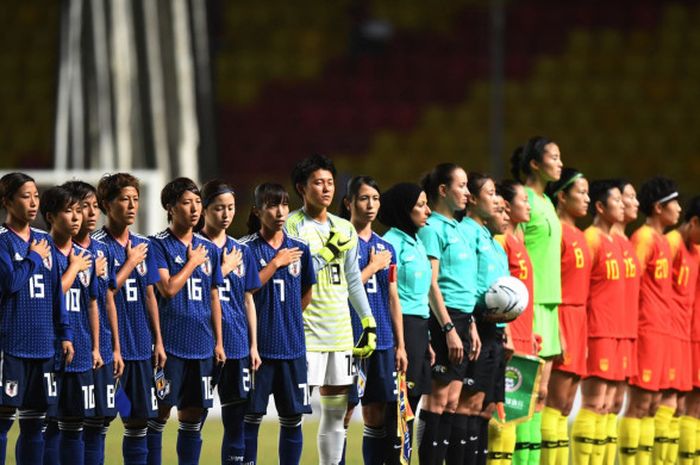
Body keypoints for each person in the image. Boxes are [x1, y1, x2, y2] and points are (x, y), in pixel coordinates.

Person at [285, 155, 377, 465]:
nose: (326, 189)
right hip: (306, 332)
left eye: (330, 182)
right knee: (294, 412)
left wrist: (368, 321)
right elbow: (295, 271)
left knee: (336, 415)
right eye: (318, 183)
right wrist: (329, 251)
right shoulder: (292, 225)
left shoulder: (344, 227)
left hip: (340, 333)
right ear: (302, 188)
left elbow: (353, 281)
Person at [148, 178, 226, 465]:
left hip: (203, 345)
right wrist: (192, 262)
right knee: (159, 412)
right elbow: (166, 288)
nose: (194, 209)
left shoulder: (211, 249)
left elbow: (214, 296)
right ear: (170, 207)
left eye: (197, 202)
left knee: (193, 416)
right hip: (169, 346)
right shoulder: (157, 245)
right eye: (186, 202)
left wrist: (219, 342)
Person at [0, 173, 74, 465]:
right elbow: (10, 284)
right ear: (7, 202)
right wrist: (31, 258)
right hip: (12, 346)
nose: (33, 202)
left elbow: (57, 292)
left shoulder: (45, 240)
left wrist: (65, 333)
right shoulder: (4, 242)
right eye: (24, 196)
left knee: (36, 423)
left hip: (44, 346)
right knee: (4, 419)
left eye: (35, 196)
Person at [93, 173, 166, 464]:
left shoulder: (142, 244)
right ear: (106, 205)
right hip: (111, 348)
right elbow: (105, 290)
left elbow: (151, 295)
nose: (132, 205)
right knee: (99, 419)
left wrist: (158, 341)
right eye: (124, 199)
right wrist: (130, 262)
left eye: (135, 199)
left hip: (140, 346)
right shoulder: (97, 245)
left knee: (138, 423)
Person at [240, 183, 315, 465]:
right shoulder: (246, 249)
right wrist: (275, 263)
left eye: (284, 204)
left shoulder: (300, 249)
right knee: (252, 417)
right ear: (258, 212)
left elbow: (308, 289)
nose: (280, 211)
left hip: (292, 347)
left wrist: (291, 317)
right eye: (272, 205)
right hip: (258, 350)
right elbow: (248, 289)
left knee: (292, 418)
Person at [339, 176, 408, 465]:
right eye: (365, 198)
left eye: (375, 199)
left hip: (381, 340)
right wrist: (371, 267)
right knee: (343, 411)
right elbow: (339, 290)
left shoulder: (386, 247)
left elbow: (393, 296)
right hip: (349, 338)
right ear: (349, 203)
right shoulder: (340, 243)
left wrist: (400, 345)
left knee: (376, 412)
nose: (371, 205)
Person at [414, 163, 480, 465]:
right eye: (461, 185)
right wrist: (449, 327)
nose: (467, 192)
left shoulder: (458, 229)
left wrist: (471, 326)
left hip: (464, 320)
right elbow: (431, 283)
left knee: (453, 403)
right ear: (443, 190)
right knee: (437, 401)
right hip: (445, 319)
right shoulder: (433, 229)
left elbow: (465, 284)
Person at [198, 180, 262, 465]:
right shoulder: (194, 249)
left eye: (231, 208)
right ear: (204, 210)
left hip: (236, 342)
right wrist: (222, 269)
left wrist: (254, 345)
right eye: (218, 208)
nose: (226, 214)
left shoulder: (242, 251)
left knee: (236, 419)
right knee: (193, 418)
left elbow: (248, 299)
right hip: (200, 341)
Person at [510, 137, 563, 465]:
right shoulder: (524, 198)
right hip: (529, 306)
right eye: (554, 157)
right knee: (522, 395)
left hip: (550, 306)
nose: (559, 163)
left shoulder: (548, 203)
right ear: (534, 163)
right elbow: (515, 247)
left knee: (541, 396)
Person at [41, 185, 103, 465]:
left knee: (75, 424)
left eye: (80, 211)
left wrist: (96, 347)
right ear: (51, 216)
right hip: (49, 349)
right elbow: (49, 295)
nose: (78, 217)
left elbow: (93, 303)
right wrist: (73, 268)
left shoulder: (84, 256)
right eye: (70, 211)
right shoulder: (42, 252)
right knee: (46, 424)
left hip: (80, 348)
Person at [62, 180, 123, 465]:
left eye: (94, 206)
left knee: (99, 419)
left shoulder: (102, 250)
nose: (90, 213)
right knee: (64, 421)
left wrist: (114, 347)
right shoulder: (60, 248)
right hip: (68, 345)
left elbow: (106, 299)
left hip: (97, 346)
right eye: (83, 207)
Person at [624, 177, 681, 465]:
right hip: (646, 329)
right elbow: (631, 282)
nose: (679, 209)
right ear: (659, 207)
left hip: (663, 331)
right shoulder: (644, 238)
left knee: (654, 405)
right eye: (675, 203)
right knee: (640, 404)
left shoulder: (664, 241)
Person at [570, 180, 625, 465]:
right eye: (617, 199)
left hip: (619, 332)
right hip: (597, 330)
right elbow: (580, 287)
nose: (625, 205)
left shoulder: (617, 241)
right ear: (600, 207)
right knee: (594, 403)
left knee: (609, 406)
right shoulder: (590, 238)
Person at [379, 182, 434, 462]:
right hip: (403, 328)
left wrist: (426, 341)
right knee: (399, 409)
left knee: (411, 406)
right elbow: (392, 296)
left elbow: (421, 293)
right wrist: (401, 343)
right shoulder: (392, 243)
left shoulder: (417, 241)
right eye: (421, 204)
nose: (428, 210)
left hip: (419, 329)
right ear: (404, 208)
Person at [460, 173, 511, 465]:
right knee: (468, 403)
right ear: (473, 199)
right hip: (477, 324)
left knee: (485, 407)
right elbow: (466, 282)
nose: (496, 199)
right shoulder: (466, 232)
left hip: (495, 329)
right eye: (490, 193)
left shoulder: (493, 240)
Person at [543, 168, 591, 465]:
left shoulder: (581, 236)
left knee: (566, 404)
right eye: (580, 192)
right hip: (562, 317)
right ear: (561, 196)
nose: (586, 198)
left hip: (580, 321)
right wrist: (557, 326)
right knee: (554, 402)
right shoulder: (556, 232)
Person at [492, 180, 536, 465]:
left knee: (516, 415)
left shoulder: (519, 242)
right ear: (507, 205)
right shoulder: (501, 242)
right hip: (509, 336)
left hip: (523, 336)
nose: (529, 205)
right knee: (501, 416)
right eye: (524, 199)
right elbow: (498, 295)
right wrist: (506, 330)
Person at [664, 196, 700, 465]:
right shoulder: (671, 244)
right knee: (670, 403)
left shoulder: (696, 251)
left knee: (694, 406)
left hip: (691, 334)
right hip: (675, 335)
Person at [611, 180, 641, 465]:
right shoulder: (598, 239)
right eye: (623, 197)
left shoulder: (627, 242)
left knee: (614, 404)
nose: (630, 203)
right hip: (606, 330)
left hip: (626, 330)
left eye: (628, 198)